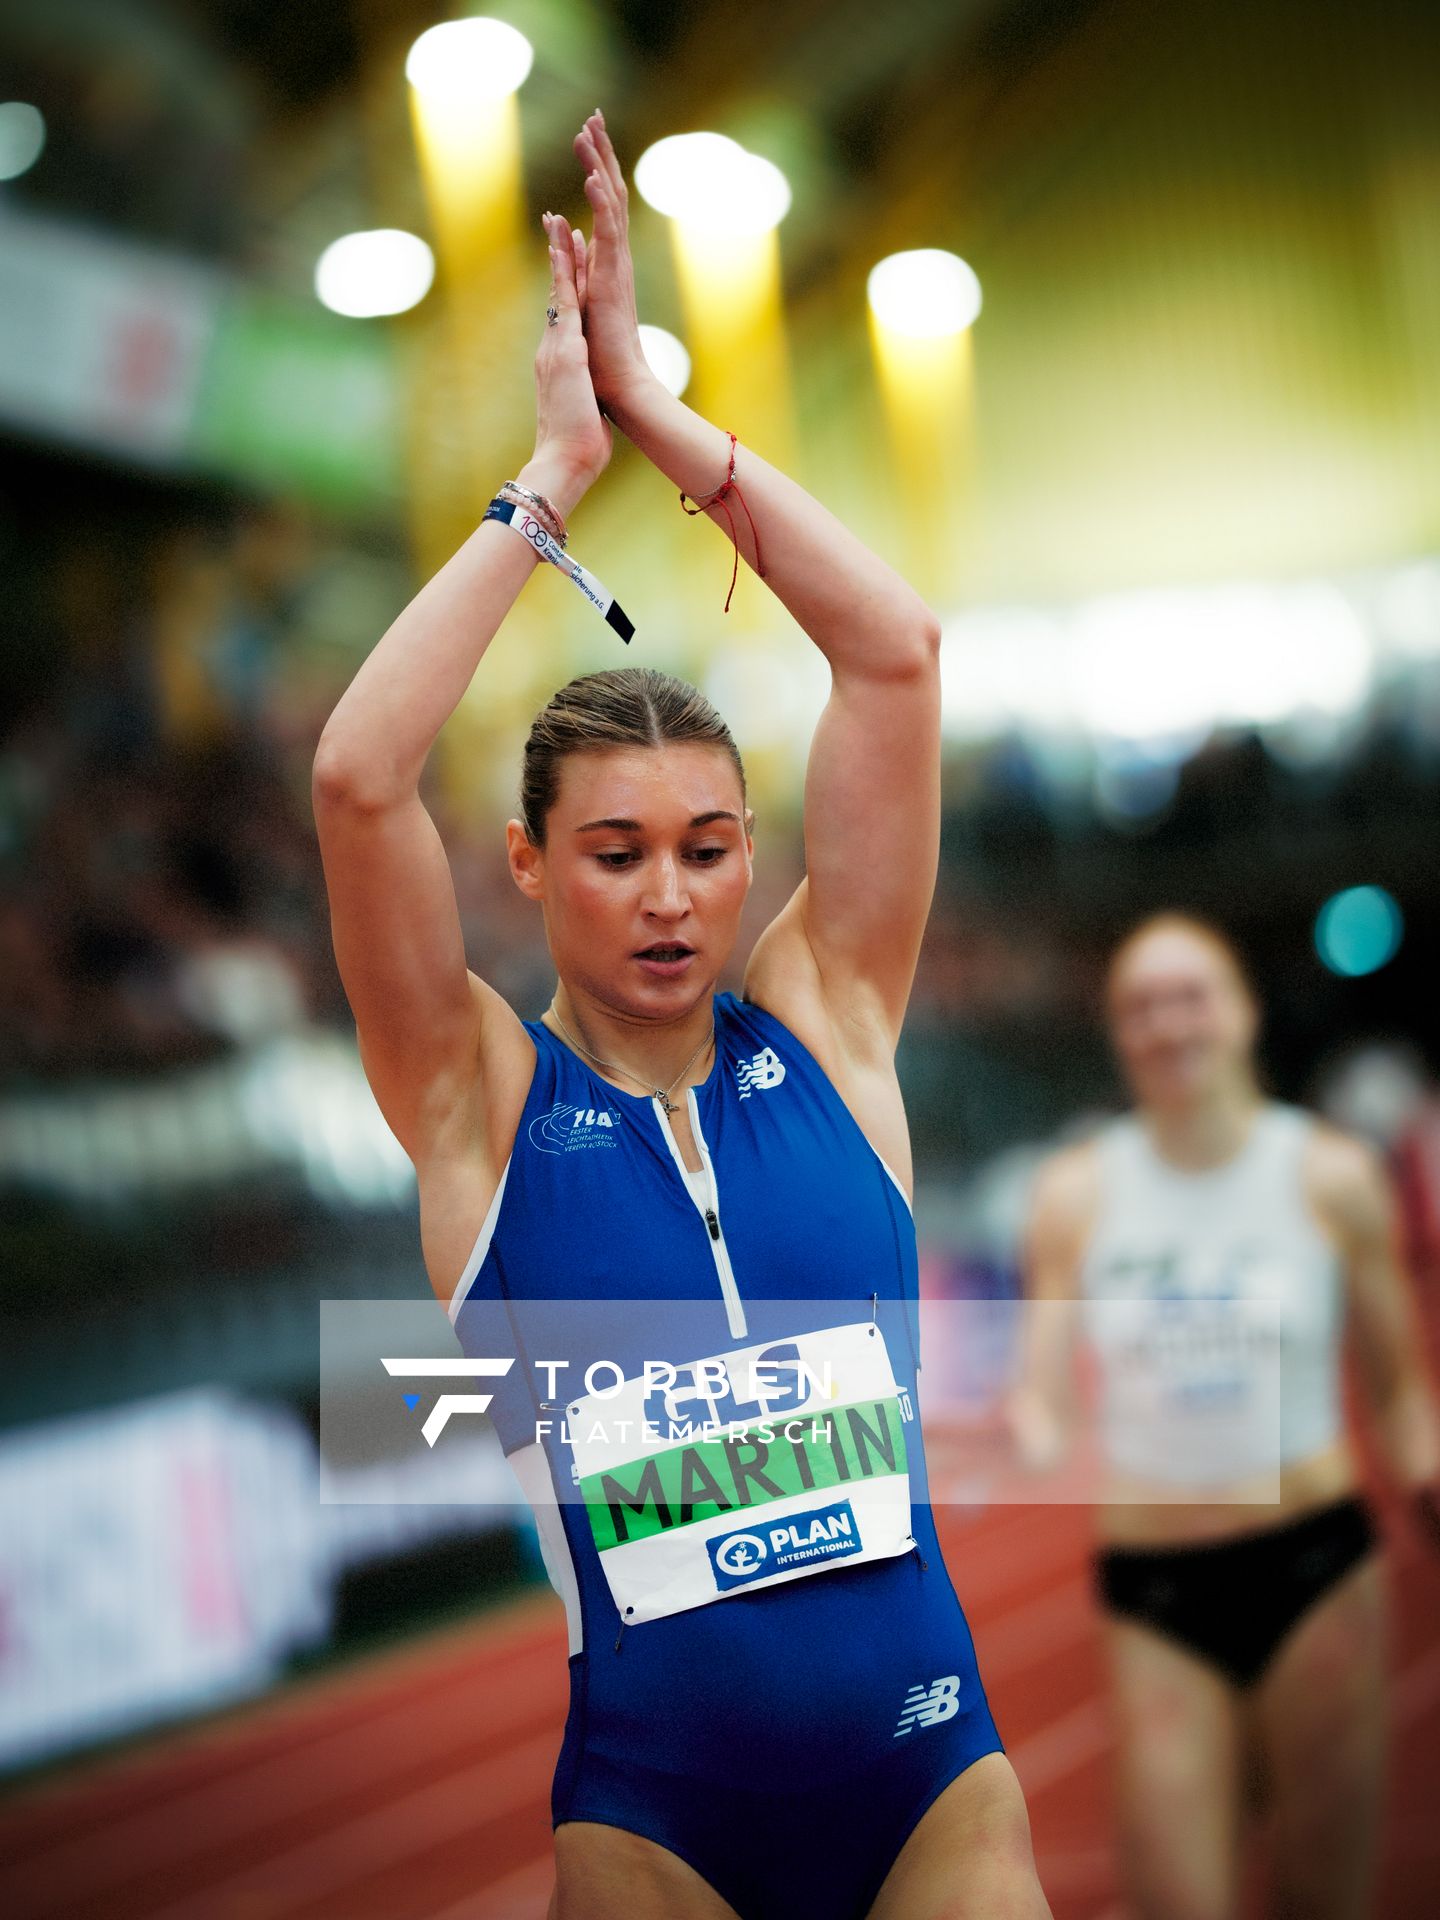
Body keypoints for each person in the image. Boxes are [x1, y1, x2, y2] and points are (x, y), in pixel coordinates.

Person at [313, 109, 1050, 1920]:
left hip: (934, 1777)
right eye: (620, 851)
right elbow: (353, 776)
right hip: (657, 1827)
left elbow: (895, 653)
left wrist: (661, 418)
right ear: (532, 865)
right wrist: (549, 482)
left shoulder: (833, 1021)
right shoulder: (476, 1104)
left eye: (711, 849)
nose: (670, 895)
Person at [1015, 912, 1440, 1920]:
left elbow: (1397, 1388)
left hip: (1317, 1572)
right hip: (1159, 1595)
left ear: (1244, 1012)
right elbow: (1040, 1381)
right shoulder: (1075, 1193)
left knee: (1319, 1899)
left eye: (1189, 996)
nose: (1167, 1025)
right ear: (1118, 1033)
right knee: (1177, 1898)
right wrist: (1027, 1426)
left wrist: (1425, 1467)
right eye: (1139, 1007)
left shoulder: (1332, 1176)